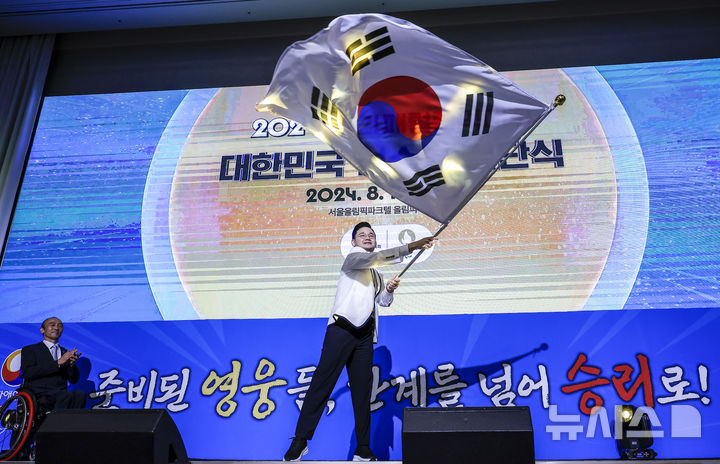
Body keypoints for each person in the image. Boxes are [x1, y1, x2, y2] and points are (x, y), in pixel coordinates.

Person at [283, 222, 435, 461]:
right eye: (362, 235)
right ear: (353, 242)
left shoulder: (376, 273)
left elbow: (382, 302)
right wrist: (412, 246)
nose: (367, 237)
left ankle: (363, 448)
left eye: (371, 235)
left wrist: (389, 290)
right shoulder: (354, 258)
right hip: (341, 329)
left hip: (364, 337)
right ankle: (300, 441)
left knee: (363, 393)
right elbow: (376, 258)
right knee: (322, 384)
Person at [20, 317, 86, 409]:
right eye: (52, 325)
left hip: (61, 393)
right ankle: (58, 419)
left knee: (80, 395)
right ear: (42, 330)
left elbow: (73, 380)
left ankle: (71, 419)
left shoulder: (65, 352)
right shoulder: (30, 350)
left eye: (60, 326)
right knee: (64, 396)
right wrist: (58, 362)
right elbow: (28, 372)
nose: (56, 328)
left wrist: (72, 365)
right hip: (39, 393)